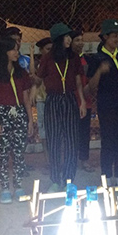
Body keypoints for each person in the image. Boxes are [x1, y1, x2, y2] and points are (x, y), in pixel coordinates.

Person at [36, 23, 87, 192]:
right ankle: (56, 180)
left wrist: (82, 101)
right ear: (58, 39)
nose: (69, 40)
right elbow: (39, 79)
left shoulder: (74, 57)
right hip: (53, 100)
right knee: (54, 142)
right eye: (66, 37)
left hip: (70, 99)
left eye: (69, 37)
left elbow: (78, 81)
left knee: (72, 141)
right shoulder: (47, 58)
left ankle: (69, 179)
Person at [87, 19, 118, 191]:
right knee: (108, 140)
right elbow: (91, 86)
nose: (117, 39)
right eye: (113, 36)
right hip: (107, 104)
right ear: (105, 37)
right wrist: (100, 71)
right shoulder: (97, 58)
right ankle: (106, 178)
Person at [0, 37, 33, 203]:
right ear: (3, 52)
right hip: (2, 113)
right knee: (3, 152)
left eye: (17, 49)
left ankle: (18, 185)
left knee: (19, 152)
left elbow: (26, 98)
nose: (16, 52)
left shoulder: (21, 72)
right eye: (13, 49)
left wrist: (30, 119)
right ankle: (5, 187)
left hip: (19, 112)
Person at [71, 31, 95, 173]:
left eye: (81, 40)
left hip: (86, 101)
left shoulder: (87, 60)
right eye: (77, 40)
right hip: (70, 100)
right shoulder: (67, 59)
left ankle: (84, 159)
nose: (80, 43)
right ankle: (72, 159)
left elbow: (90, 81)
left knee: (84, 133)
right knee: (71, 133)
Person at [31, 37, 52, 167]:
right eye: (47, 49)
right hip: (42, 99)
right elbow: (35, 79)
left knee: (54, 130)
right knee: (43, 130)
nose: (50, 52)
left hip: (53, 98)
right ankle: (48, 160)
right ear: (41, 50)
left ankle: (54, 158)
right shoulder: (39, 65)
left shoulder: (56, 62)